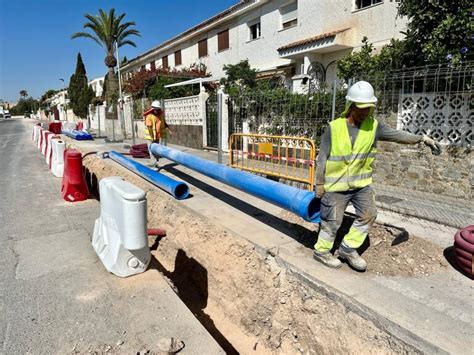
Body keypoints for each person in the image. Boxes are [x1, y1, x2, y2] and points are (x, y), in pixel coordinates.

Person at [313, 81, 441, 271]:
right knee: (332, 222)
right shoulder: (334, 127)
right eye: (363, 108)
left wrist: (421, 139)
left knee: (369, 214)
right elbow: (322, 157)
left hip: (361, 185)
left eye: (370, 107)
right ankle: (321, 252)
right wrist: (319, 183)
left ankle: (348, 249)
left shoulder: (374, 127)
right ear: (351, 106)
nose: (367, 112)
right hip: (336, 186)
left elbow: (397, 135)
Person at [144, 101, 171, 167]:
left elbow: (164, 123)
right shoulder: (149, 116)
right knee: (151, 149)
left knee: (156, 149)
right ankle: (154, 163)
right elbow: (149, 127)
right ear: (153, 109)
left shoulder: (160, 115)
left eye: (158, 110)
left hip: (157, 136)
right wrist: (152, 137)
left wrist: (168, 129)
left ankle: (156, 162)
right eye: (156, 110)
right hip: (150, 137)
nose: (157, 111)